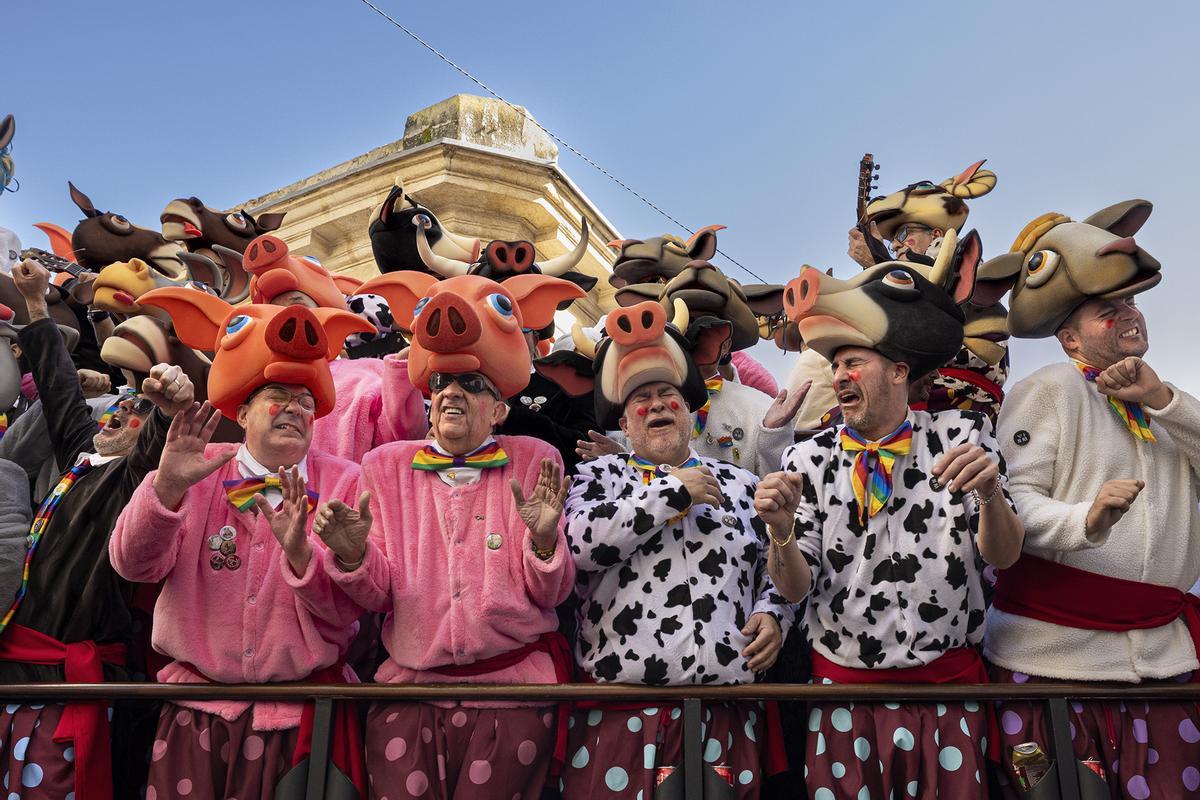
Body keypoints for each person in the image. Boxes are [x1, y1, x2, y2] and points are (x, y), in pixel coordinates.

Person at [320, 271, 580, 800]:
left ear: (500, 409)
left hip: (512, 697)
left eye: (472, 385)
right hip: (410, 695)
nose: (453, 393)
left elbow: (551, 594)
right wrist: (351, 558)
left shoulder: (535, 460)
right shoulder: (382, 467)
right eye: (441, 384)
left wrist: (546, 543)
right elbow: (377, 595)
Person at [767, 263, 1024, 798]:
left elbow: (1005, 555)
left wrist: (991, 493)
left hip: (949, 696)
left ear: (899, 371)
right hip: (844, 698)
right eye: (834, 365)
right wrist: (780, 532)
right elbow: (793, 588)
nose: (838, 376)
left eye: (853, 362)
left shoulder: (963, 434)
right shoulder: (807, 458)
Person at [109, 295, 373, 799]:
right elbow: (132, 566)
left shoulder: (347, 481)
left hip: (301, 721)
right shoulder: (195, 464)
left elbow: (350, 612)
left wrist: (304, 558)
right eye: (280, 395)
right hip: (196, 718)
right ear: (244, 409)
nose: (295, 409)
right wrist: (164, 488)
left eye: (306, 403)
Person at [983, 201, 1200, 796]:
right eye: (1110, 311)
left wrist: (1165, 402)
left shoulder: (1165, 400)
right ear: (1069, 336)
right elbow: (1011, 499)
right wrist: (1088, 517)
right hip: (1055, 662)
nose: (1129, 316)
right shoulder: (1046, 390)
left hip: (1162, 660)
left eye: (1131, 304)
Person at [561, 301, 794, 800]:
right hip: (623, 713)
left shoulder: (740, 482)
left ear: (691, 412)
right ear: (624, 426)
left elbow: (776, 568)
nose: (659, 404)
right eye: (642, 399)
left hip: (725, 713)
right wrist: (670, 493)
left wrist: (775, 615)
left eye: (669, 395)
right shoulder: (598, 476)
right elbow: (579, 548)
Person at [0, 258, 192, 800]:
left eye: (133, 416)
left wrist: (164, 408)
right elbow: (61, 395)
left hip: (67, 685)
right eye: (116, 410)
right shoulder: (85, 457)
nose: (117, 416)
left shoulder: (133, 481)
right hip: (17, 672)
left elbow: (154, 452)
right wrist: (37, 302)